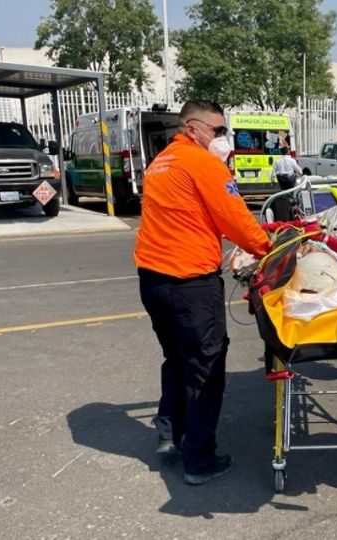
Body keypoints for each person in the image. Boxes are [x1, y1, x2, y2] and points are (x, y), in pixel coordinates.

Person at [135, 99, 271, 486]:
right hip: (189, 284)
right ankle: (198, 458)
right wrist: (269, 249)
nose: (223, 139)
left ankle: (170, 431)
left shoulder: (160, 162)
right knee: (204, 370)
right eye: (218, 130)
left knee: (175, 359)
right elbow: (236, 219)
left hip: (153, 280)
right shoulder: (202, 163)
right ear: (193, 128)